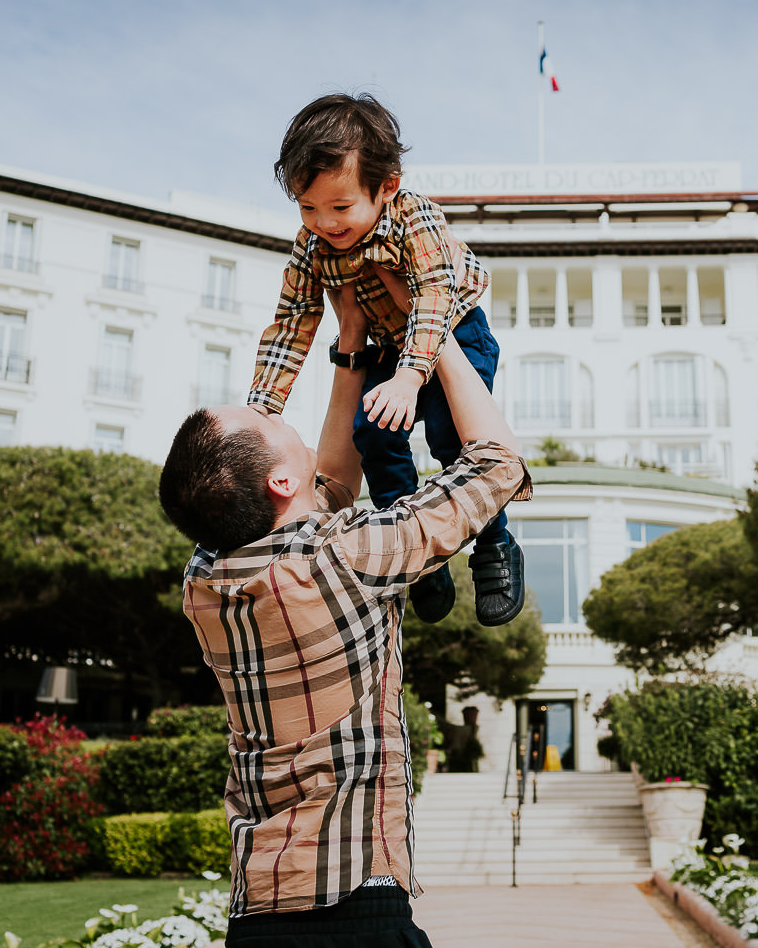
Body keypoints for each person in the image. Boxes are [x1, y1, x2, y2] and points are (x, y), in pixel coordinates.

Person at [158, 284, 530, 946]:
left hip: (260, 911)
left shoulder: (205, 581)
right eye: (266, 420)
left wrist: (351, 342)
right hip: (356, 907)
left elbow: (323, 485)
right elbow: (497, 465)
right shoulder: (345, 555)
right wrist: (430, 332)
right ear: (276, 480)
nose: (274, 413)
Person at [247, 91, 523, 628]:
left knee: (450, 437)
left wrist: (410, 375)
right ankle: (421, 556)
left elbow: (434, 295)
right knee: (371, 434)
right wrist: (263, 409)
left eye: (340, 206)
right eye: (308, 207)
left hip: (455, 333)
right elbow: (292, 322)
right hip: (386, 346)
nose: (325, 223)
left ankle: (495, 543)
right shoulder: (312, 246)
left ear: (387, 186)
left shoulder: (415, 218)